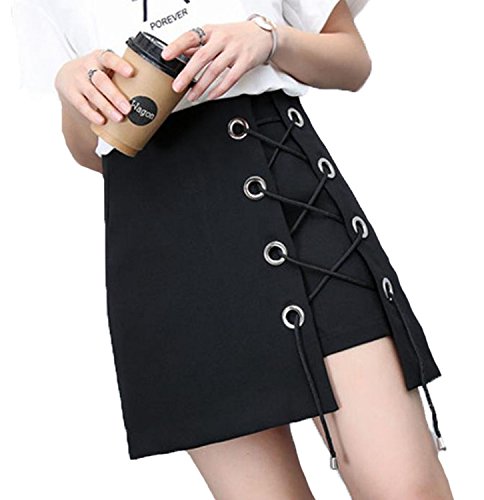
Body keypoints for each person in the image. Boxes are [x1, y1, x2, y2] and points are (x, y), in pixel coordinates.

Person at [12, 0, 454, 497]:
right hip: (165, 248)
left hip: (294, 212)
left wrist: (269, 39)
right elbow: (90, 151)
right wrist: (72, 91)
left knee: (406, 488)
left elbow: (353, 63)